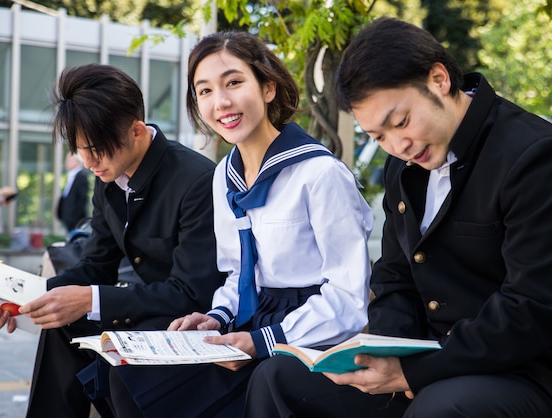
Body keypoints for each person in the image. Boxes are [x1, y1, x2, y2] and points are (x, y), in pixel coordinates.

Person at [244, 17, 552, 418]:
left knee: (438, 409)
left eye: (400, 122)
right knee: (279, 378)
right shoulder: (404, 165)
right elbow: (394, 276)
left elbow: (532, 308)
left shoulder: (536, 156)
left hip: (533, 370)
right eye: (378, 137)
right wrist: (380, 353)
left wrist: (413, 372)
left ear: (439, 80)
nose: (398, 145)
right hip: (426, 357)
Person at [106, 31, 374, 417]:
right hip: (247, 323)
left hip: (309, 331)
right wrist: (216, 316)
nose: (221, 102)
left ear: (267, 88)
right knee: (133, 374)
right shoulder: (224, 176)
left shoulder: (319, 173)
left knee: (260, 384)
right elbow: (237, 273)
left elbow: (349, 300)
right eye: (205, 91)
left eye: (233, 82)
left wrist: (261, 341)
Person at [0, 63, 226, 418]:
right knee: (59, 324)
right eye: (80, 148)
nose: (87, 161)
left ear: (137, 130)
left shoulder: (197, 181)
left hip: (189, 319)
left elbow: (191, 293)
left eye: (96, 148)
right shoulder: (108, 176)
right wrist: (14, 298)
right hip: (146, 310)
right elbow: (96, 264)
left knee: (116, 360)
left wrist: (90, 299)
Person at [57, 152, 90, 233]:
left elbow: (82, 199)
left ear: (78, 161)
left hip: (75, 219)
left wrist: (75, 217)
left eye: (69, 160)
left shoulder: (81, 177)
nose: (66, 162)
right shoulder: (71, 176)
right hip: (68, 218)